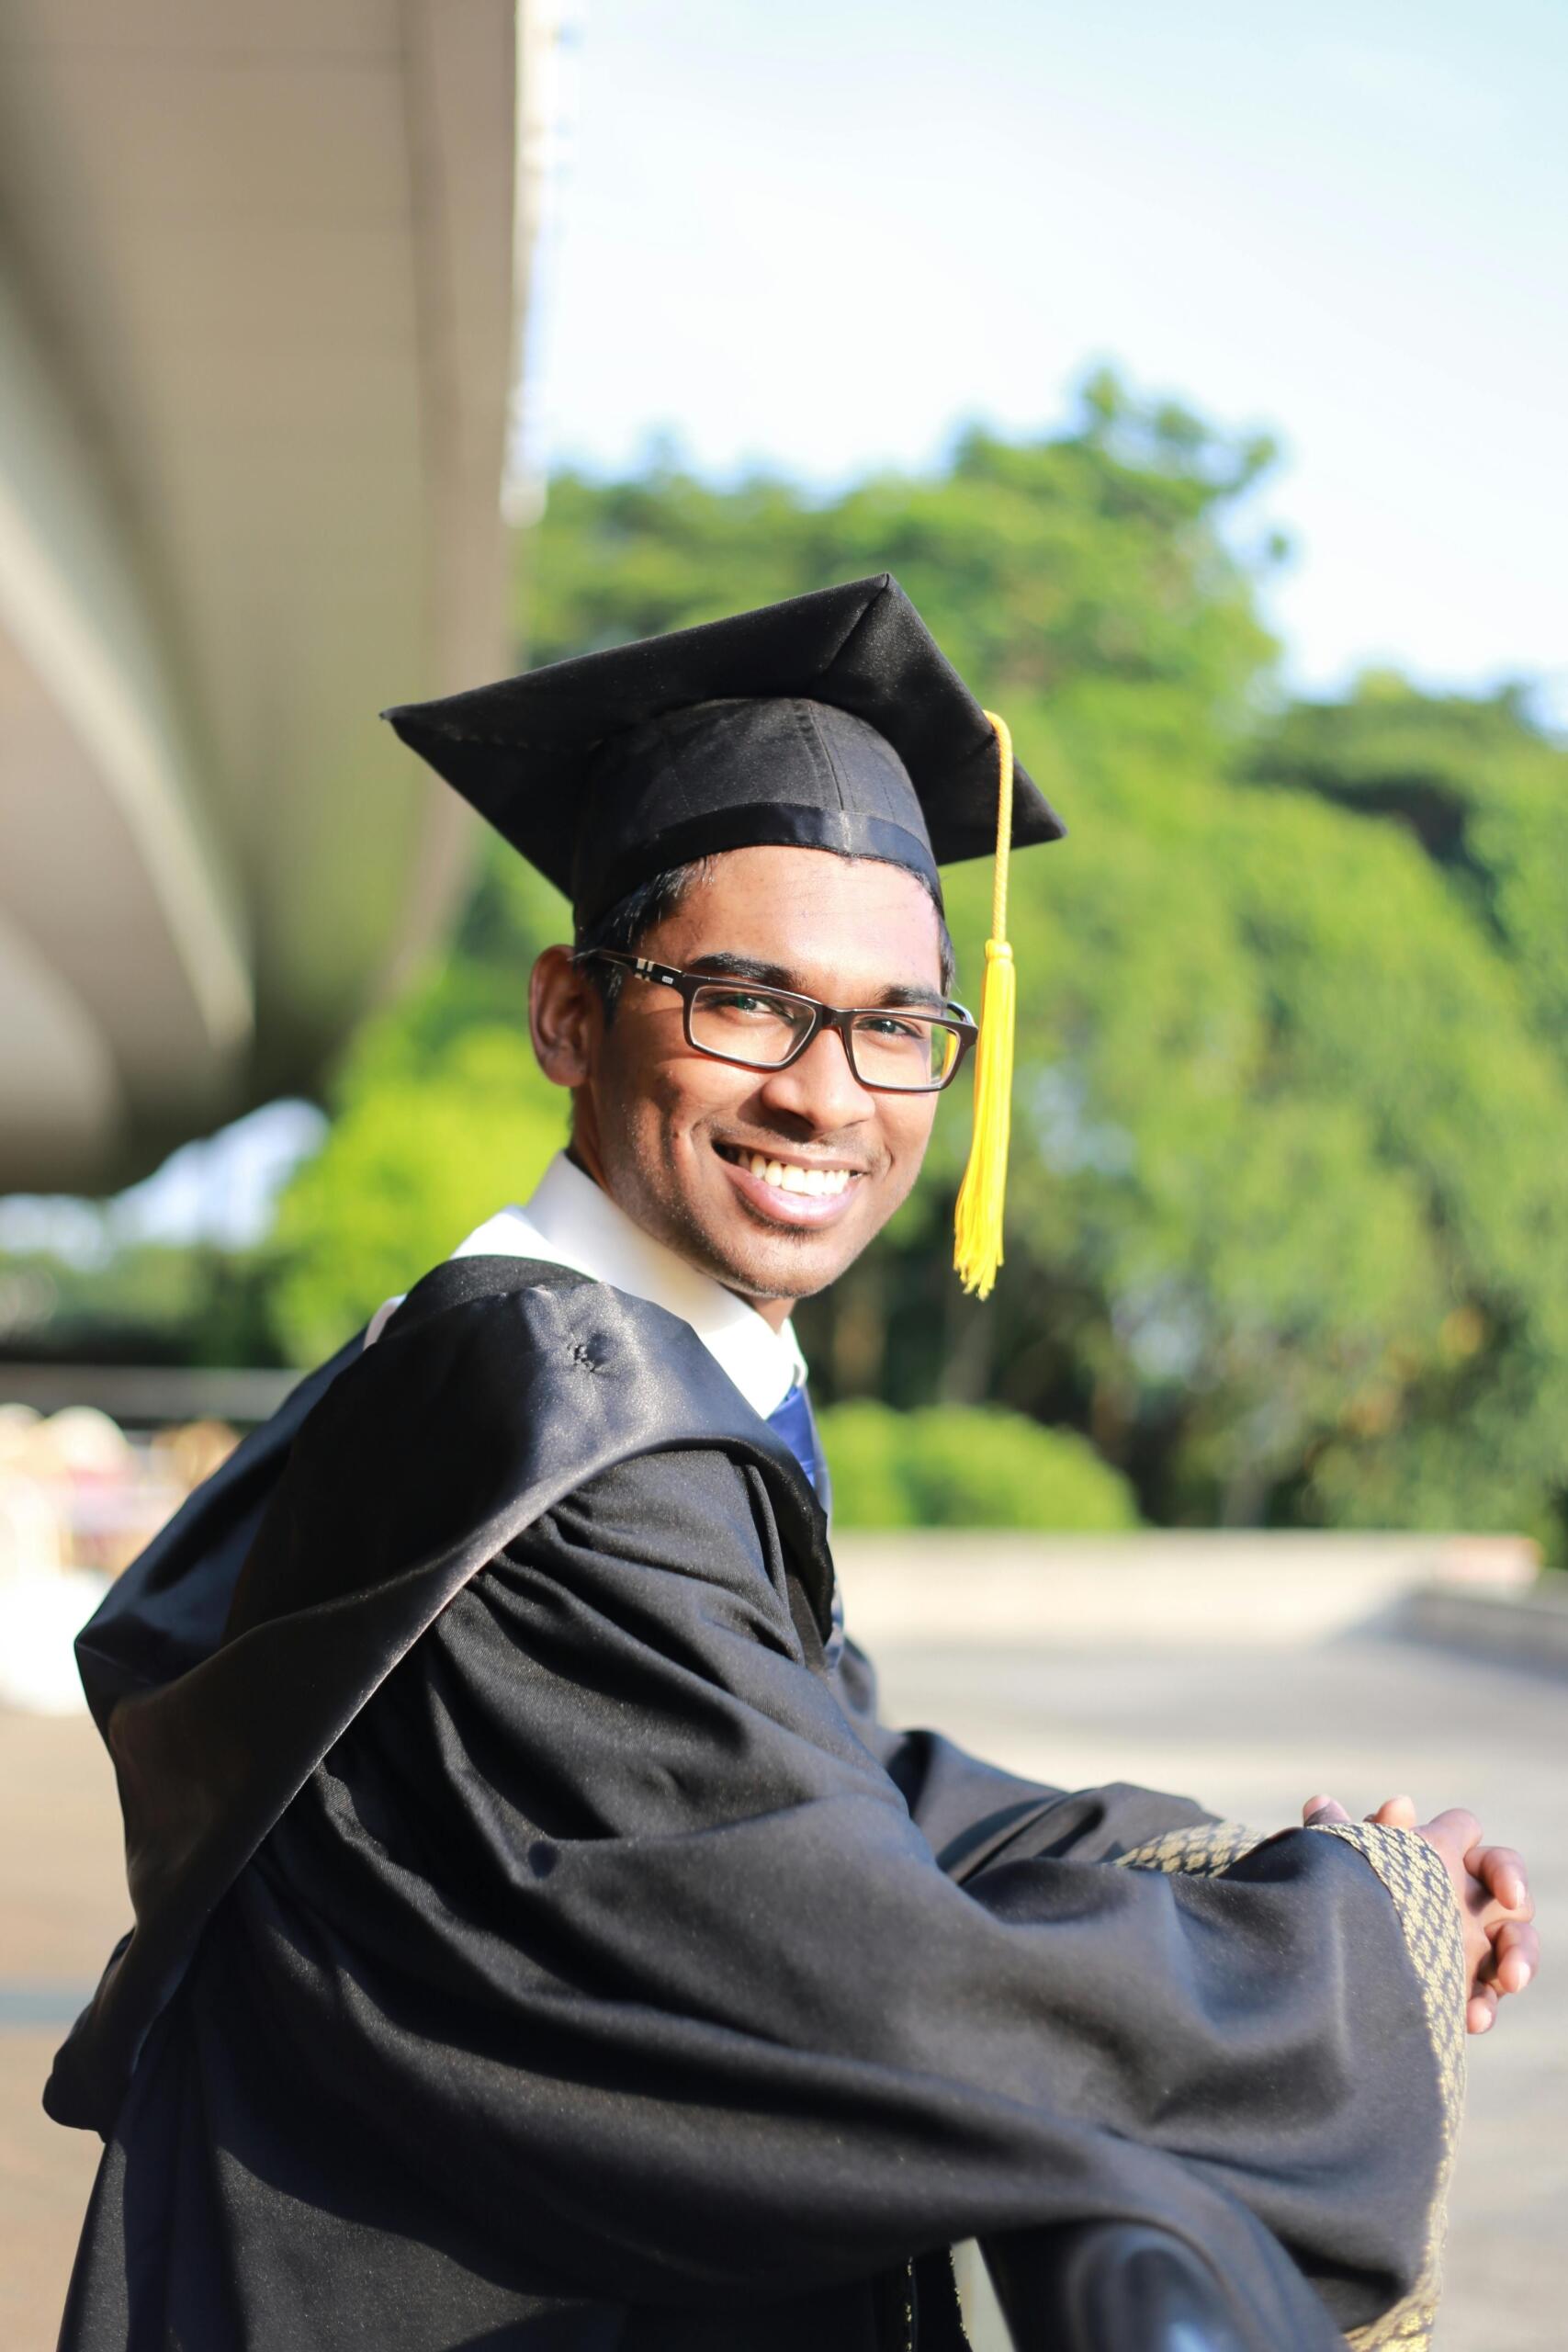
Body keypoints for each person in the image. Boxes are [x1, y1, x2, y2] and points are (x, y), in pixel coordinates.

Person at [47, 576, 1537, 2352]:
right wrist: (1354, 1946)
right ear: (567, 1020)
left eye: (899, 1025)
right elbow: (871, 1988)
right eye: (745, 1001)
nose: (830, 1094)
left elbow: (821, 1768)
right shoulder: (556, 1441)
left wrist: (1211, 1855)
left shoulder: (609, 1376)